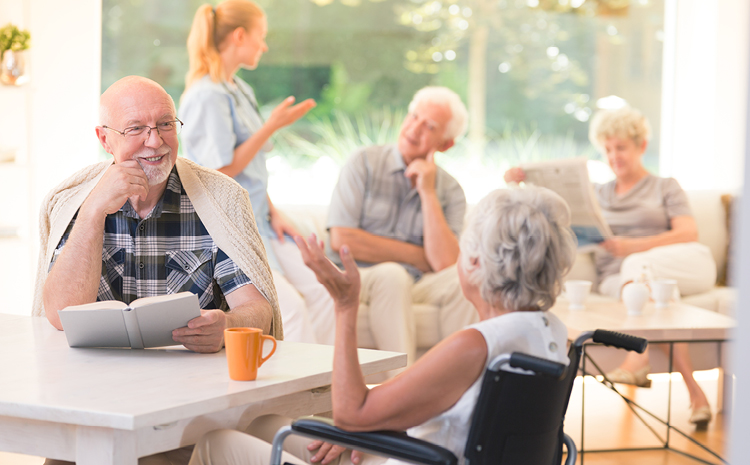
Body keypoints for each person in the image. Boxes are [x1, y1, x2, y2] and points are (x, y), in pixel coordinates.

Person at [187, 185, 577, 465]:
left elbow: (350, 415)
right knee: (267, 425)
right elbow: (467, 418)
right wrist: (377, 426)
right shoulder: (550, 333)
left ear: (474, 263)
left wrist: (345, 306)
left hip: (419, 459)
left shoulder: (475, 346)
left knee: (215, 444)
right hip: (426, 452)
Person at [504, 105, 716, 427]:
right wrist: (519, 187)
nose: (613, 155)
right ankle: (695, 393)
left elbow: (689, 232)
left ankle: (638, 358)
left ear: (641, 146)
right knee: (660, 299)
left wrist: (633, 247)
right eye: (607, 149)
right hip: (622, 280)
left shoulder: (664, 186)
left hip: (683, 264)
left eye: (621, 147)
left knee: (637, 265)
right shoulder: (597, 194)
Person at [179, 0, 325, 344]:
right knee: (288, 309)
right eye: (261, 36)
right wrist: (270, 126)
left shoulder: (239, 88)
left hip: (261, 219)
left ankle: (329, 385)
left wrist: (275, 211)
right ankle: (296, 388)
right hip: (233, 226)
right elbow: (218, 171)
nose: (264, 45)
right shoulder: (206, 95)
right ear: (240, 35)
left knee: (323, 291)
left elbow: (252, 169)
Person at [324, 86, 476, 369]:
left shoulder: (451, 190)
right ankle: (402, 391)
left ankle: (459, 388)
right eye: (414, 116)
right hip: (360, 276)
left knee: (466, 277)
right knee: (392, 275)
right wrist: (418, 256)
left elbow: (444, 263)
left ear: (446, 144)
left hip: (416, 283)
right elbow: (342, 240)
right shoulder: (364, 162)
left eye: (429, 126)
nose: (414, 129)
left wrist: (428, 192)